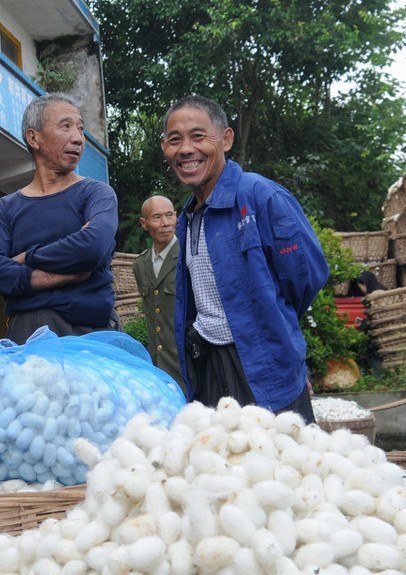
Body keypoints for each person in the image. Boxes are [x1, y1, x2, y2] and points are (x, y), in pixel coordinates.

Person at [161, 95, 329, 420]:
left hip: (262, 366)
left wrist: (274, 330)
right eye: (174, 140)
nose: (185, 149)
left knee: (282, 465)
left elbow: (306, 276)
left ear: (226, 139)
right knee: (222, 465)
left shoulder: (260, 196)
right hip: (209, 365)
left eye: (198, 136)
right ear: (165, 148)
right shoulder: (187, 218)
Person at [0, 93, 119, 343]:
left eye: (80, 128)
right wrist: (60, 276)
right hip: (26, 338)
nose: (78, 138)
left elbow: (92, 246)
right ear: (34, 137)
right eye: (66, 126)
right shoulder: (6, 207)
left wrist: (26, 258)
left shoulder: (96, 193)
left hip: (90, 336)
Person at [132, 195, 186, 394]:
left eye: (169, 215)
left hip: (188, 364)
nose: (165, 223)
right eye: (157, 217)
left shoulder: (188, 255)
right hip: (159, 368)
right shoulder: (140, 265)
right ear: (144, 224)